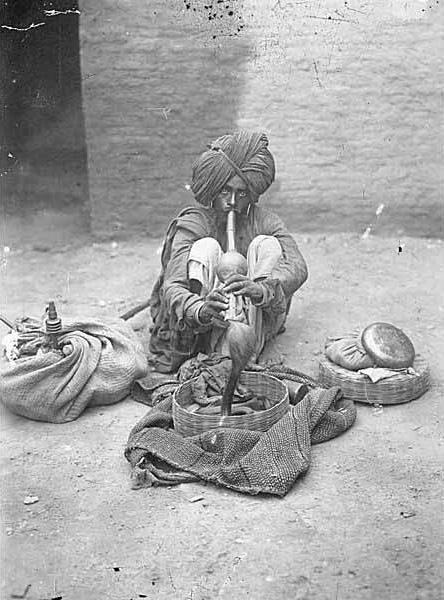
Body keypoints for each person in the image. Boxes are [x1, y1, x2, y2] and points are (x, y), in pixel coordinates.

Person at [148, 130, 308, 373]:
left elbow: (297, 266)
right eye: (225, 191)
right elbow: (172, 286)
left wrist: (262, 289)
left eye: (241, 193)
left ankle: (249, 346)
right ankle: (217, 351)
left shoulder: (263, 220)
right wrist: (200, 309)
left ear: (252, 194)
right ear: (213, 190)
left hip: (257, 319)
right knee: (206, 247)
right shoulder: (195, 224)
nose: (232, 201)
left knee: (267, 244)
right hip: (205, 326)